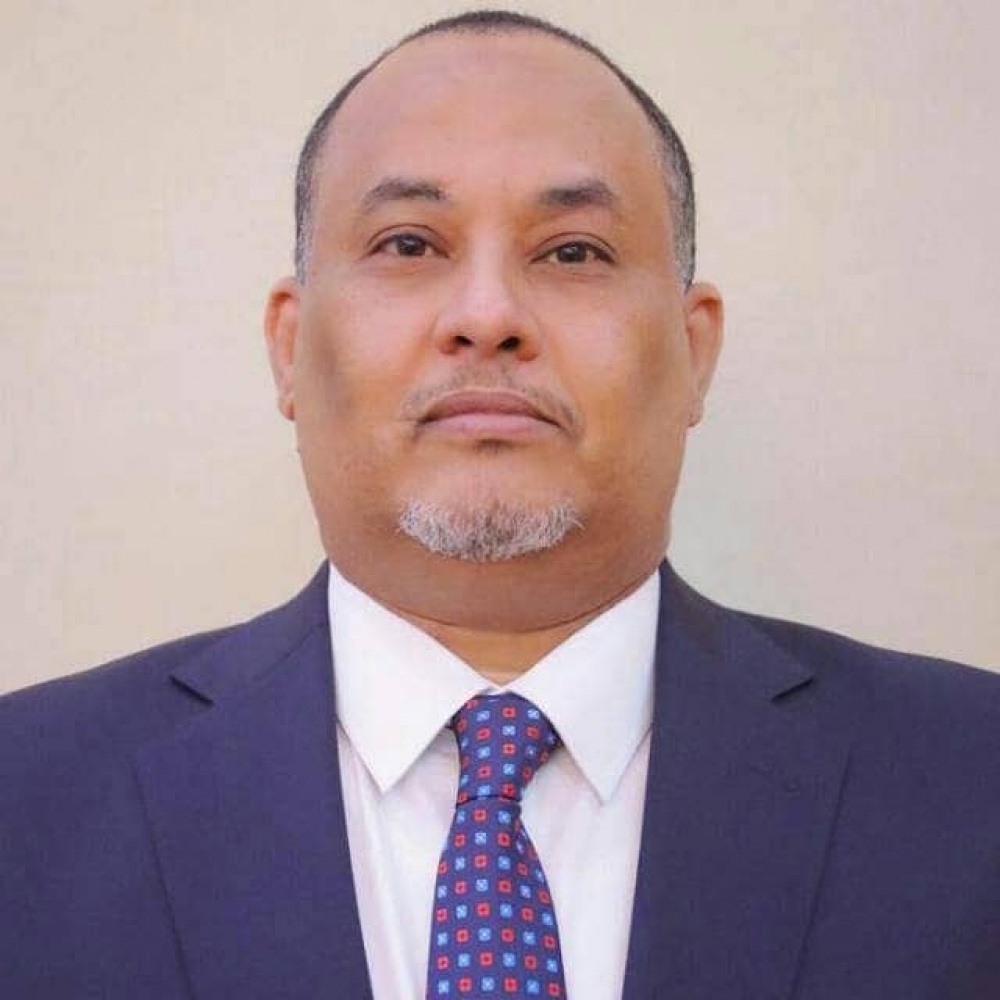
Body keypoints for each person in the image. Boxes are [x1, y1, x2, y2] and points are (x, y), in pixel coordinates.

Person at [2, 9, 998, 999]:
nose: (487, 316)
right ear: (289, 348)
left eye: (572, 253)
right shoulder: (26, 802)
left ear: (693, 351)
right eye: (407, 243)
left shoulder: (969, 785)